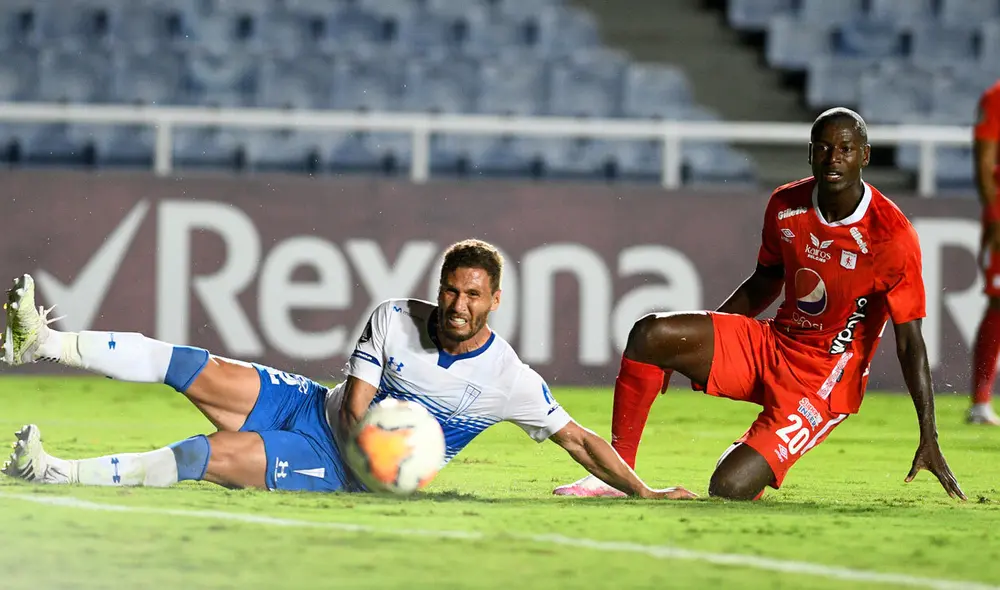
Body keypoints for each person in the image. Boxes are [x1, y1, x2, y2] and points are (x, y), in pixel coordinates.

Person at [0, 240, 694, 500]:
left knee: (201, 456)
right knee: (188, 363)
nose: (456, 305)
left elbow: (578, 439)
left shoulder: (507, 379)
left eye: (472, 295)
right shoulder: (395, 316)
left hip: (339, 468)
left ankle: (53, 473)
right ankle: (43, 345)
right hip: (315, 409)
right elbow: (359, 400)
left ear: (495, 302)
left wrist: (645, 493)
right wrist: (368, 432)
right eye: (450, 289)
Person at [554, 108, 967, 501]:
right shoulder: (786, 205)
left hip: (822, 383)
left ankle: (760, 453)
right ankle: (616, 469)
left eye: (845, 148)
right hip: (772, 344)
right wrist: (689, 344)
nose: (833, 158)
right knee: (651, 334)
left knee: (728, 488)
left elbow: (910, 340)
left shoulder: (891, 236)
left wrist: (928, 434)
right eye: (822, 147)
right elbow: (765, 280)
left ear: (865, 156)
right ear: (809, 153)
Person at [970, 78, 1000, 425]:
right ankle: (981, 400)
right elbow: (985, 159)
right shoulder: (994, 98)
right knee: (998, 300)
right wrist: (994, 214)